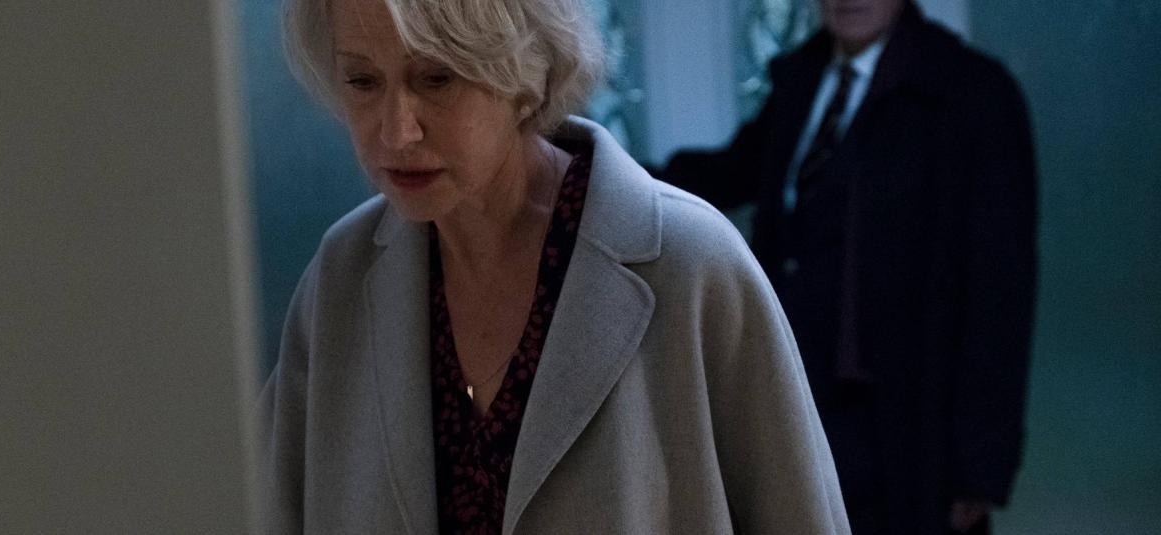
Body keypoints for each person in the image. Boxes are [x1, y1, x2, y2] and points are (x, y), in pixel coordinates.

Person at [257, 0, 850, 533]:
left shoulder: (691, 263)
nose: (396, 131)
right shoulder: (341, 277)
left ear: (525, 70)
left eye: (437, 78)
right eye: (362, 81)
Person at [656, 1, 1037, 534]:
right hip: (801, 405)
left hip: (906, 424)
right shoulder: (803, 78)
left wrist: (980, 464)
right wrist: (600, 173)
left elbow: (999, 291)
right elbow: (727, 173)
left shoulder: (971, 94)